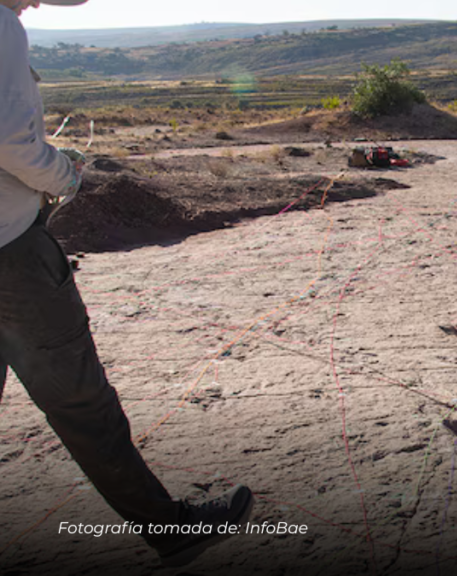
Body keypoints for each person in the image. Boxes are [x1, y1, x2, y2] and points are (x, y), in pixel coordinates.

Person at [0, 0, 253, 568]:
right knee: (82, 405)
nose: (40, 4)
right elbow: (13, 143)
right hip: (10, 252)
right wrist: (66, 173)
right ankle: (172, 529)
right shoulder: (0, 27)